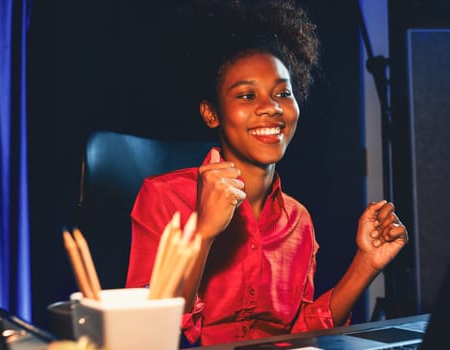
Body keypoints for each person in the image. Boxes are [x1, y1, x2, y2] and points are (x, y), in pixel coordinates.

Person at [125, 0, 408, 346]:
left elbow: (302, 335)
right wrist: (202, 234)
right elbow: (149, 334)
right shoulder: (162, 198)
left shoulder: (298, 220)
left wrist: (366, 263)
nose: (271, 107)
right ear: (211, 113)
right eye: (246, 95)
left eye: (282, 93)